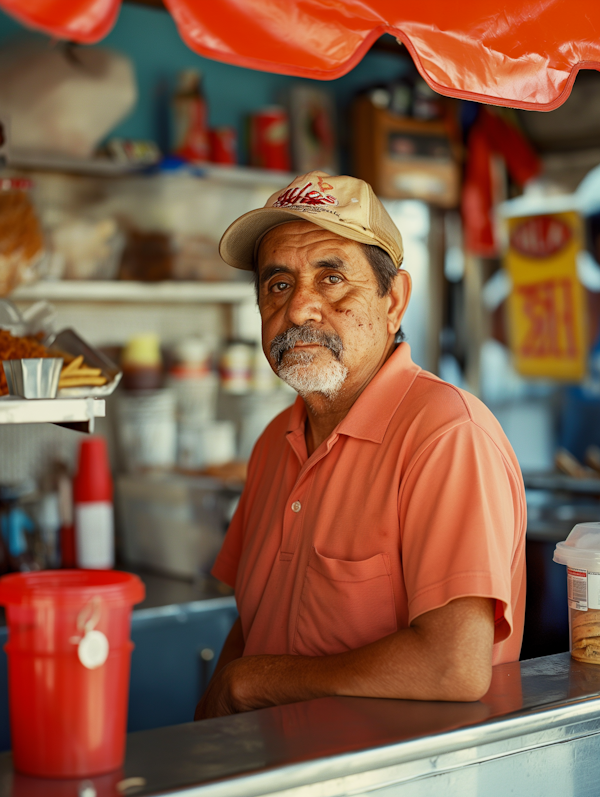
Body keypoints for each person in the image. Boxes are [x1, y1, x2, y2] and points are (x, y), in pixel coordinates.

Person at [194, 171, 526, 720]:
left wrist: (255, 683)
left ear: (393, 300)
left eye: (331, 279)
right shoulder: (273, 443)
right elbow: (256, 625)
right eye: (278, 285)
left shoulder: (446, 434)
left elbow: (453, 665)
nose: (299, 309)